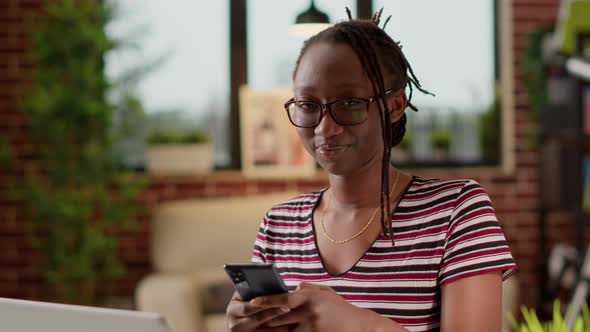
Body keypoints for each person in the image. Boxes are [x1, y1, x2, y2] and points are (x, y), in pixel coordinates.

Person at [226, 8, 517, 332]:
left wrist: (358, 324)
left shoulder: (456, 211)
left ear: (394, 106)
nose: (325, 128)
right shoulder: (278, 226)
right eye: (308, 105)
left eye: (349, 103)